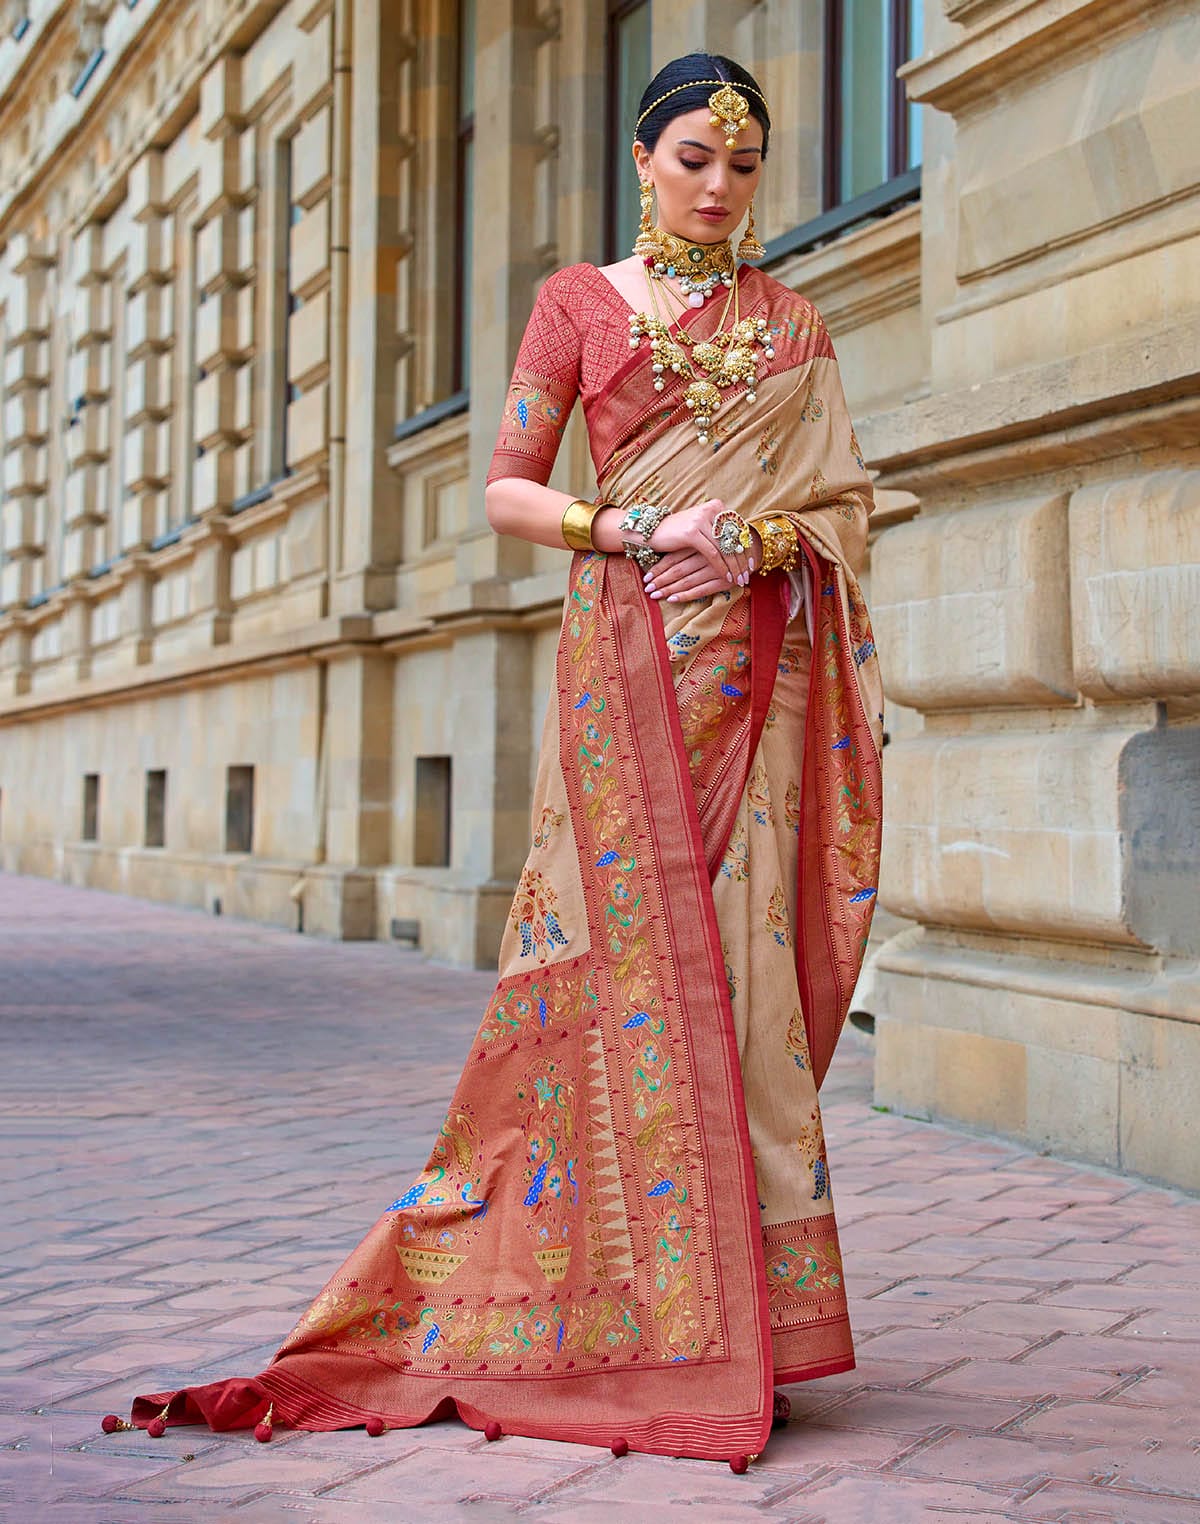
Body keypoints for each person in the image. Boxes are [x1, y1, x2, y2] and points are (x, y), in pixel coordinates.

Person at [120, 52, 883, 1470]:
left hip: (757, 674)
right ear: (644, 163)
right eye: (693, 161)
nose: (718, 188)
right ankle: (598, 1298)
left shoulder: (795, 325)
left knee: (741, 970)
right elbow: (505, 487)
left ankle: (740, 1322)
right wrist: (638, 533)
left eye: (742, 166)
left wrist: (762, 539)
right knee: (607, 965)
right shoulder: (578, 306)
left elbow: (842, 502)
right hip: (626, 666)